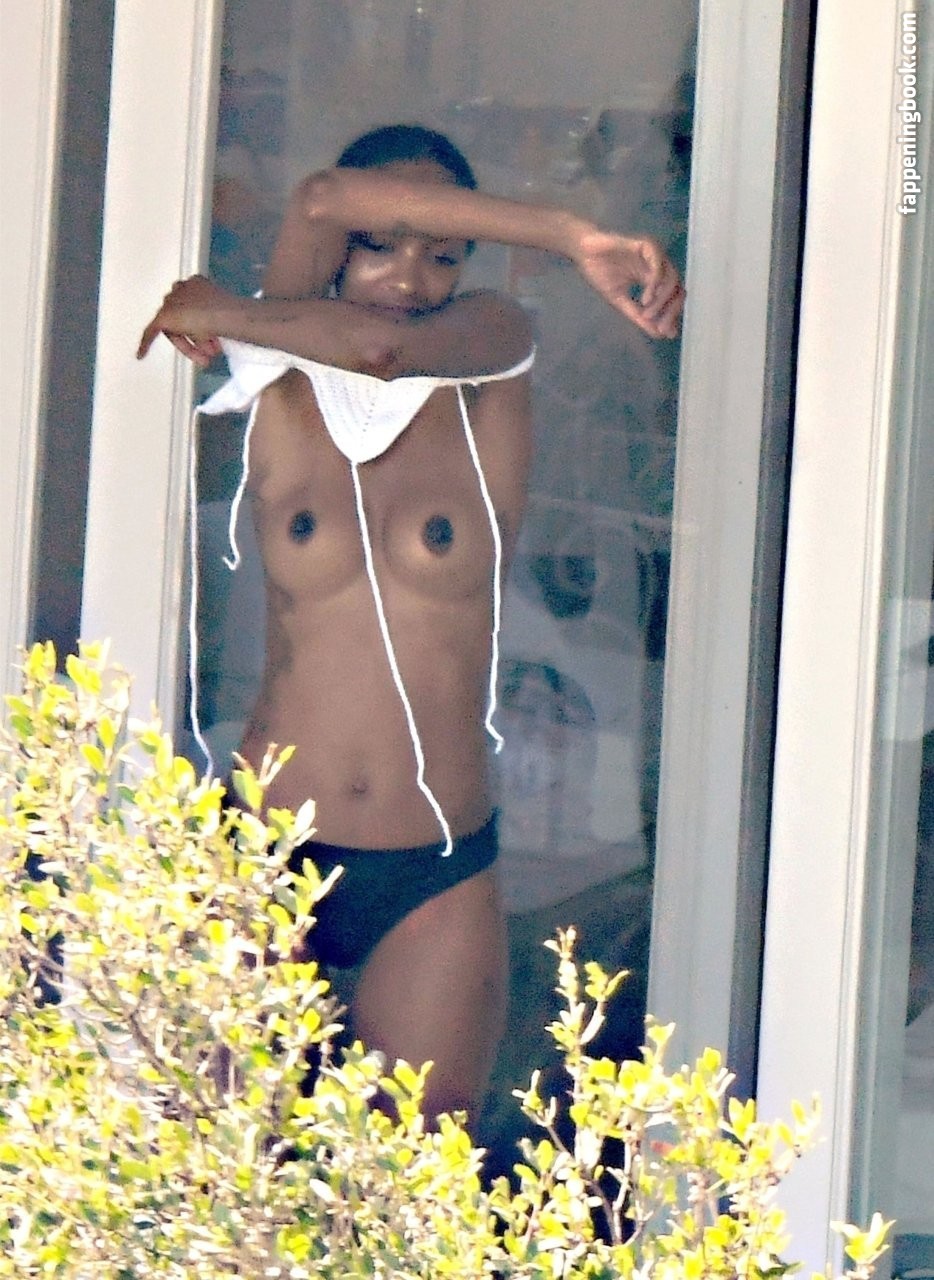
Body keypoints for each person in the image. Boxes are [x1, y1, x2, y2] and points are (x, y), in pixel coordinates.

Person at [138, 123, 684, 1121]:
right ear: (337, 250)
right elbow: (316, 199)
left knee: (411, 1185)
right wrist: (247, 315)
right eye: (379, 243)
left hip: (431, 866)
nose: (409, 275)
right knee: (224, 1176)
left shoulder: (491, 345)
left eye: (442, 252)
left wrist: (568, 235)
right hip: (264, 849)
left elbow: (384, 353)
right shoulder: (281, 373)